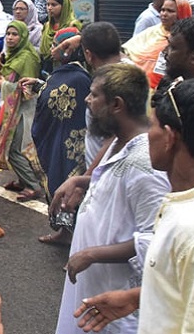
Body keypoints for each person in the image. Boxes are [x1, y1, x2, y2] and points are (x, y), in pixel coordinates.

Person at [73, 77, 194, 334]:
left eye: (151, 125)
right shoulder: (182, 205)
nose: (146, 136)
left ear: (168, 138)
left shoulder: (193, 232)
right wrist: (136, 297)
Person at [54, 63, 169, 334]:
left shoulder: (145, 163)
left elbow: (155, 240)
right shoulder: (119, 142)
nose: (87, 100)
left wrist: (92, 254)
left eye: (94, 95)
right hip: (92, 294)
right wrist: (80, 180)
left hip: (116, 310)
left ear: (117, 104)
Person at [41, 22, 128, 246]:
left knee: (99, 219)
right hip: (98, 160)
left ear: (88, 54)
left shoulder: (114, 83)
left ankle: (87, 256)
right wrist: (77, 40)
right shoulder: (125, 67)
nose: (88, 99)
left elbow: (114, 138)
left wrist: (85, 179)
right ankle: (70, 238)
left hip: (106, 164)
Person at [21, 27, 90, 202]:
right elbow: (54, 93)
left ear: (68, 49)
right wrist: (39, 85)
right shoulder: (61, 73)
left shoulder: (79, 78)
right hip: (57, 138)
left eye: (56, 45)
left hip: (68, 143)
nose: (52, 49)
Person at [0, 21, 44, 202]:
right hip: (14, 110)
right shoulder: (14, 55)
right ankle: (23, 180)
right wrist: (0, 66)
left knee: (15, 149)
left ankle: (33, 186)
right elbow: (13, 76)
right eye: (8, 34)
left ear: (23, 37)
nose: (10, 38)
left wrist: (4, 85)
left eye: (14, 34)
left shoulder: (28, 57)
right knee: (12, 146)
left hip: (24, 112)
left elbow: (27, 90)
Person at [122, 0, 192, 89]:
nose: (164, 14)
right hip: (138, 87)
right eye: (162, 10)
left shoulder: (189, 38)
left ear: (182, 12)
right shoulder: (150, 32)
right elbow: (126, 51)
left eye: (170, 11)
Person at [40, 0, 83, 71]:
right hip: (47, 68)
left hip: (68, 69)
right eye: (48, 4)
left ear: (64, 6)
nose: (49, 8)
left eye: (54, 5)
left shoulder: (73, 25)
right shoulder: (47, 26)